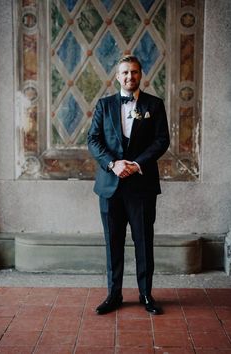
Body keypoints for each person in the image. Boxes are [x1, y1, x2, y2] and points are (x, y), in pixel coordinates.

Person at [88, 55, 170, 315]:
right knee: (113, 242)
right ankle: (114, 295)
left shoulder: (154, 105)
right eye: (125, 72)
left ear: (140, 75)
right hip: (110, 186)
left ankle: (146, 295)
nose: (129, 77)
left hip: (142, 186)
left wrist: (136, 164)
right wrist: (113, 164)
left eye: (134, 72)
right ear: (117, 76)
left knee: (144, 241)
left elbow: (161, 140)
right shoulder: (104, 105)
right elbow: (93, 140)